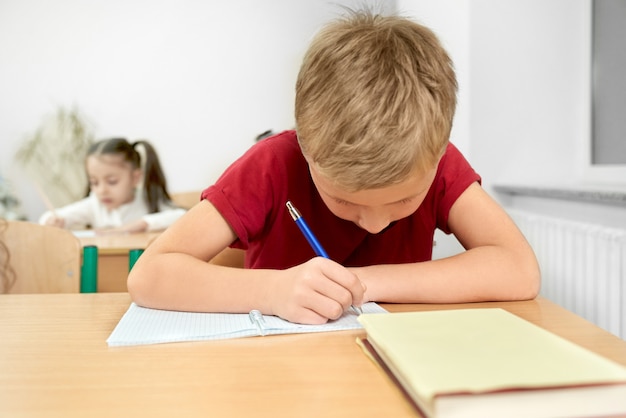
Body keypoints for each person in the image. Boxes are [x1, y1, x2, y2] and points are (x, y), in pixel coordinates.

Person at [128, 10, 540, 324]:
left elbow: (519, 270)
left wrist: (364, 283)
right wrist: (273, 290)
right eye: (343, 200)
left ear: (436, 158)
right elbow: (149, 275)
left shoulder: (437, 157)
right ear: (306, 150)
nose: (375, 224)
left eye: (403, 199)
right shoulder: (273, 164)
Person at [39, 138, 185, 233]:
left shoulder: (148, 199)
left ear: (135, 178)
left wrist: (141, 224)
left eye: (112, 181)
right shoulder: (94, 205)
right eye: (94, 182)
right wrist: (53, 221)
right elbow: (49, 218)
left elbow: (183, 217)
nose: (102, 190)